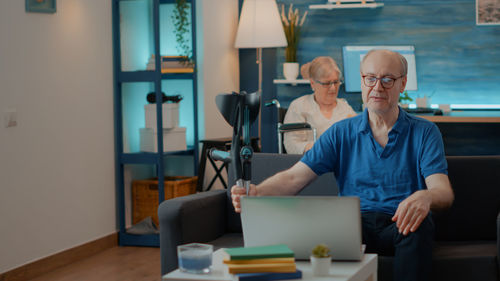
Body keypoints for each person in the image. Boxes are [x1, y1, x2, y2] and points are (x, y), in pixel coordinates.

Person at [231, 49, 454, 281]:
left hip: (403, 225)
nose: (378, 87)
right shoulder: (340, 133)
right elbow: (294, 178)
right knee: (322, 230)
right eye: (371, 78)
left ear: (403, 83)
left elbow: (443, 192)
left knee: (420, 225)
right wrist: (258, 192)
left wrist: (426, 197)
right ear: (362, 81)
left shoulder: (425, 132)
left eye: (388, 79)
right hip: (353, 226)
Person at [283, 56, 356, 154]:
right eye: (326, 83)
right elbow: (291, 144)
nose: (333, 88)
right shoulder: (299, 106)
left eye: (336, 82)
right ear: (313, 83)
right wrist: (312, 148)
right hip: (309, 165)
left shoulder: (345, 108)